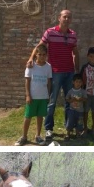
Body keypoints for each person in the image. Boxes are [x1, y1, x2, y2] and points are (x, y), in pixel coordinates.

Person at [28, 9, 79, 141]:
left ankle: (68, 128)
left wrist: (76, 71)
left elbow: (75, 53)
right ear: (59, 18)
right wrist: (31, 59)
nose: (66, 19)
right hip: (55, 72)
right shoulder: (50, 32)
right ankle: (49, 129)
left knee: (69, 101)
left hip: (69, 72)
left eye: (69, 17)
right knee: (52, 102)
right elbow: (39, 47)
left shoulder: (73, 35)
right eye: (64, 17)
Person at [17, 44, 51, 146]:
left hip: (43, 97)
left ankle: (38, 136)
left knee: (40, 117)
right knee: (28, 116)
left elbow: (49, 81)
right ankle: (24, 136)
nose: (41, 57)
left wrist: (48, 95)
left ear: (46, 55)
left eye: (44, 55)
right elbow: (27, 81)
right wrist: (28, 95)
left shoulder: (48, 67)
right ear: (36, 55)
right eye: (39, 54)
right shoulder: (31, 66)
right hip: (32, 97)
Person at [80, 47, 94, 135]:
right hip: (87, 94)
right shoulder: (85, 67)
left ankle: (93, 127)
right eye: (91, 56)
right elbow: (81, 80)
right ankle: (85, 128)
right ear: (88, 57)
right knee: (85, 111)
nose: (93, 58)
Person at [65, 73, 87, 140]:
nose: (78, 83)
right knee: (70, 122)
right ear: (73, 82)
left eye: (80, 82)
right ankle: (68, 134)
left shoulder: (83, 91)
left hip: (80, 111)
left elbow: (85, 99)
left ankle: (78, 133)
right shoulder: (71, 91)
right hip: (72, 110)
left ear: (82, 83)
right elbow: (67, 99)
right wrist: (71, 100)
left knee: (79, 122)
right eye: (76, 82)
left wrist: (81, 99)